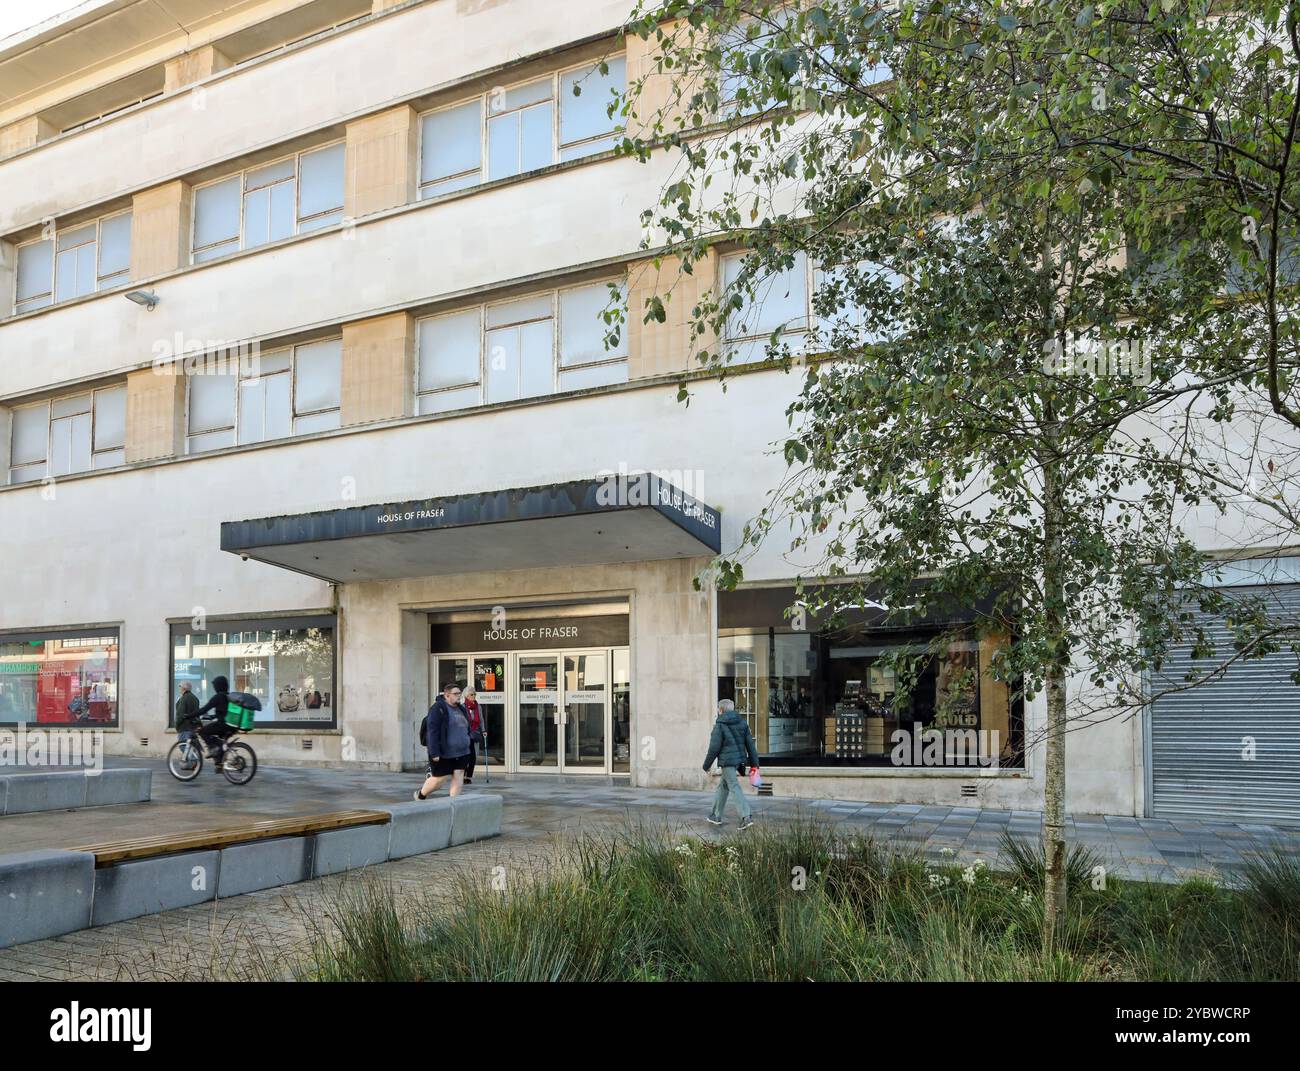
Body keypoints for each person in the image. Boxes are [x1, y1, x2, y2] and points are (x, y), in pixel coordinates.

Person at [702, 698, 760, 829]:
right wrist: (754, 764)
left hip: (727, 762)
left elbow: (713, 748)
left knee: (733, 786)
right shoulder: (742, 723)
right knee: (723, 786)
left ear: (721, 710)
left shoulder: (720, 725)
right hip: (738, 760)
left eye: (718, 709)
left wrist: (706, 766)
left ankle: (746, 816)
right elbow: (750, 745)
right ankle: (715, 815)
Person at [415, 681, 473, 800]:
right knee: (439, 780)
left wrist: (469, 739)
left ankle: (454, 804)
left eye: (459, 693)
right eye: (456, 693)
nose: (459, 696)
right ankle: (421, 795)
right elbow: (433, 731)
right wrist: (434, 752)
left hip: (462, 751)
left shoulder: (461, 709)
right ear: (447, 695)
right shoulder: (438, 709)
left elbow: (466, 727)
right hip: (444, 752)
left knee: (459, 775)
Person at [193, 675, 237, 765]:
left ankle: (213, 750)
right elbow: (223, 712)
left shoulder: (218, 696)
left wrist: (189, 715)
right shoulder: (228, 696)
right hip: (232, 726)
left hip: (223, 725)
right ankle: (219, 764)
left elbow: (204, 709)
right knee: (219, 742)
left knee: (202, 731)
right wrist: (212, 716)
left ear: (218, 686)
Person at [462, 685, 485, 785]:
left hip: (475, 733)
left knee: (473, 757)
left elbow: (481, 719)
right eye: (472, 694)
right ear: (466, 696)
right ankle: (463, 775)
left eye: (475, 694)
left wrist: (483, 730)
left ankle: (468, 776)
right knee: (466, 756)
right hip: (465, 734)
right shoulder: (462, 707)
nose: (474, 696)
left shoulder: (478, 706)